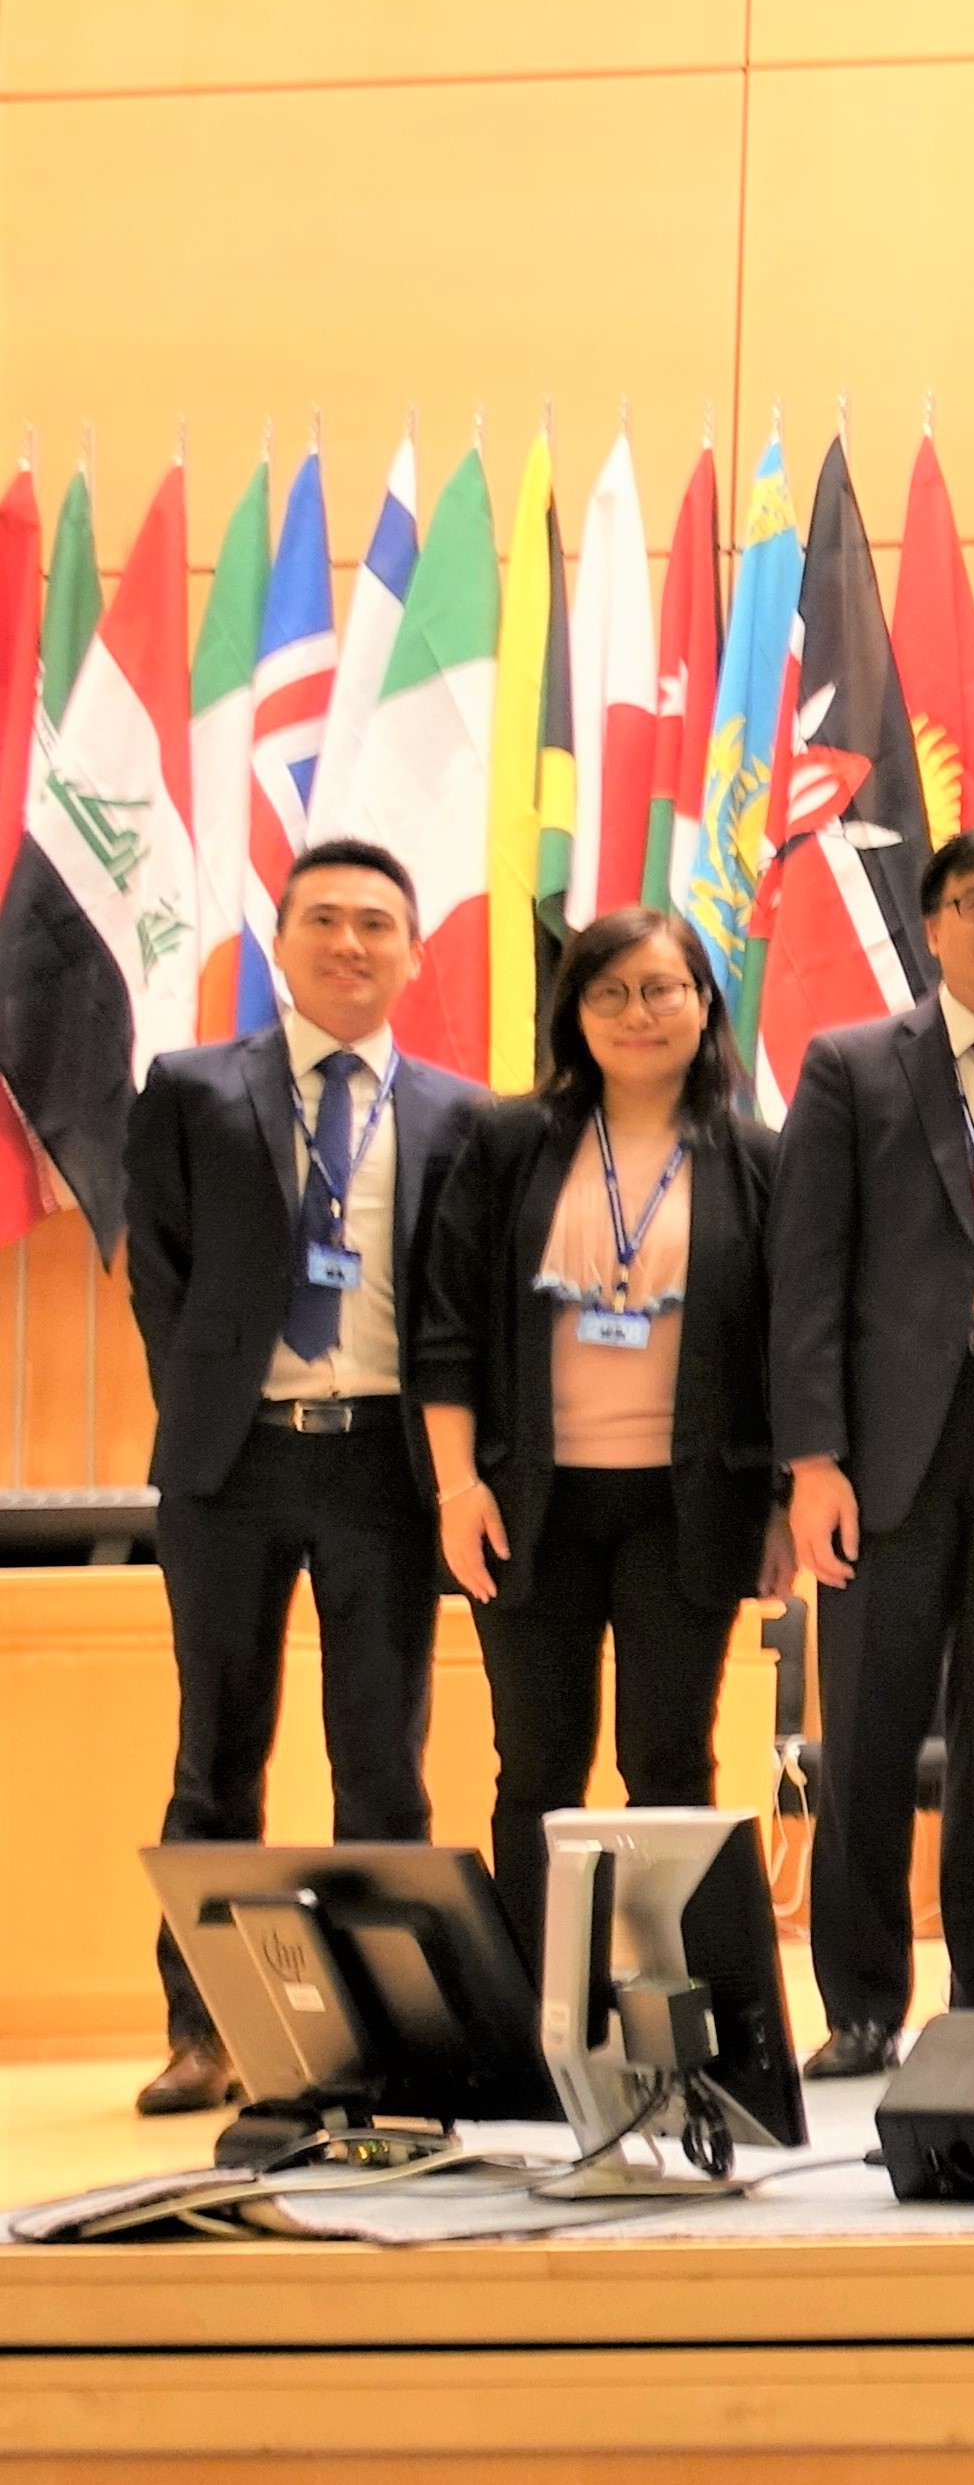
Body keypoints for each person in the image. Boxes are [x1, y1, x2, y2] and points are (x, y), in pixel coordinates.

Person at [123, 839, 488, 2115]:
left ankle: (387, 2031)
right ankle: (208, 2027)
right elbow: (158, 1269)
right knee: (217, 1754)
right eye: (323, 920)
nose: (349, 943)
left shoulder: (461, 1112)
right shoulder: (191, 1086)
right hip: (232, 1464)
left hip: (384, 1465)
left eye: (376, 924)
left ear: (412, 951)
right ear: (280, 941)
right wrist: (207, 1407)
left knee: (380, 1761)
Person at [415, 910, 785, 1978]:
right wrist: (454, 1488)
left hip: (689, 1505)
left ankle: (670, 2006)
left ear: (705, 1003)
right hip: (531, 1503)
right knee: (536, 1763)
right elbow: (447, 1328)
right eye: (609, 991)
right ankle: (546, 2005)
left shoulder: (756, 1157)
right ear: (572, 1011)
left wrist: (770, 1508)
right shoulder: (506, 1139)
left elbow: (783, 1345)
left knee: (667, 1759)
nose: (638, 1013)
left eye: (663, 989)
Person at [772, 826, 974, 2078]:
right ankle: (859, 2002)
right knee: (867, 1733)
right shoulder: (852, 1064)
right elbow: (805, 1276)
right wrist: (811, 1459)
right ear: (934, 923)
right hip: (880, 1456)